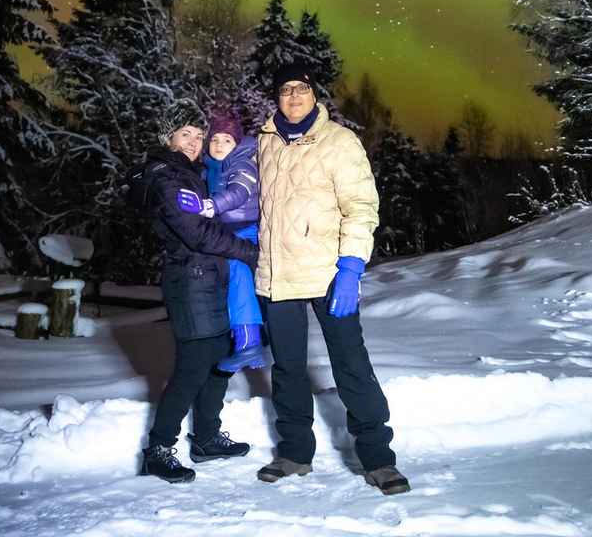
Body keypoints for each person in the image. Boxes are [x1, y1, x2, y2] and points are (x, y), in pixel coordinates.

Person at [252, 62, 411, 495]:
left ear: (314, 94)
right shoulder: (265, 142)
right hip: (277, 275)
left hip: (328, 273)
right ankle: (294, 453)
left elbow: (361, 207)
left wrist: (351, 267)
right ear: (277, 97)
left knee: (350, 364)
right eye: (285, 89)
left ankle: (378, 459)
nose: (294, 96)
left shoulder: (340, 141)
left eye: (301, 88)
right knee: (287, 368)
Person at [128, 104, 261, 484]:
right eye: (185, 133)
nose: (194, 141)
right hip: (189, 279)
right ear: (168, 136)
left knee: (218, 359)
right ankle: (158, 450)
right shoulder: (166, 176)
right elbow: (197, 232)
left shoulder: (191, 172)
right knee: (193, 366)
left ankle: (206, 438)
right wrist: (250, 251)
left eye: (198, 135)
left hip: (209, 277)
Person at [174, 111, 266, 372]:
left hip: (245, 230)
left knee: (237, 272)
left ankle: (249, 342)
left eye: (227, 140)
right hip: (228, 232)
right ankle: (243, 341)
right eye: (214, 139)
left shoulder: (242, 164)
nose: (219, 145)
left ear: (237, 144)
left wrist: (209, 205)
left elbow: (239, 192)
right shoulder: (211, 168)